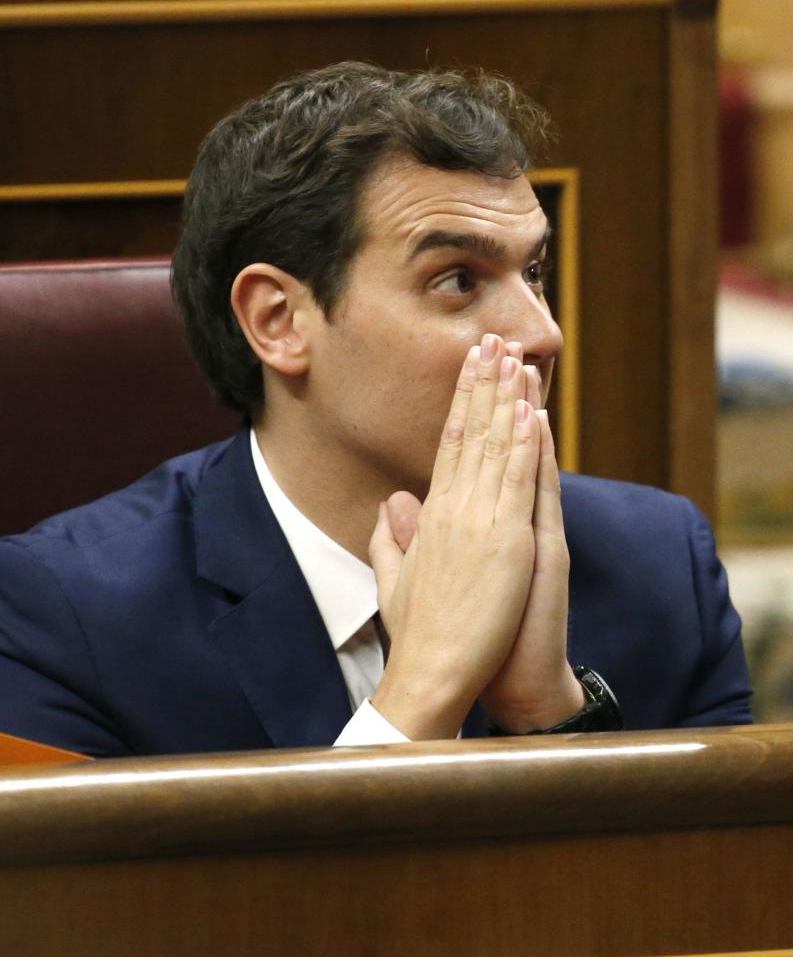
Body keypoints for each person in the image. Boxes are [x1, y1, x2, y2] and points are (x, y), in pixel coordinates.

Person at [0, 63, 752, 755]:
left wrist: (547, 713)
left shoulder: (661, 565)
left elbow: (706, 867)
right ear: (278, 321)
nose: (542, 333)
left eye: (532, 271)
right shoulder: (61, 616)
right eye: (458, 280)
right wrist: (425, 687)